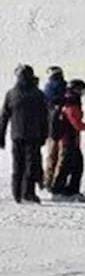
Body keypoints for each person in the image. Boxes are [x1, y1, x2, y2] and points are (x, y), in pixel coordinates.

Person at [0, 65, 48, 204]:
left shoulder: (11, 93)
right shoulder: (38, 94)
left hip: (17, 135)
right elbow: (45, 117)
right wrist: (44, 135)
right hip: (33, 136)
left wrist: (1, 135)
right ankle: (27, 193)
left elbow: (4, 116)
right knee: (30, 165)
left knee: (17, 164)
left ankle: (17, 194)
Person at [42, 65, 67, 190]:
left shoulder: (48, 88)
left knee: (51, 155)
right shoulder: (65, 87)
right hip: (64, 126)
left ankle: (48, 180)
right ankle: (56, 181)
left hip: (51, 125)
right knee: (61, 156)